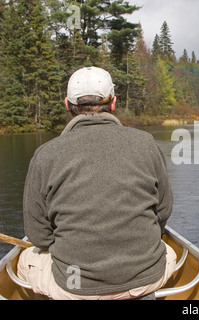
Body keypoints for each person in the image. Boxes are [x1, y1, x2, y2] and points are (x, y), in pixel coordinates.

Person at [17, 66, 177, 300]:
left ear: (68, 105)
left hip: (75, 284)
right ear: (112, 103)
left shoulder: (45, 155)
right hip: (145, 278)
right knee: (169, 252)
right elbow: (163, 212)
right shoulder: (146, 143)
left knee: (25, 260)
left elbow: (39, 236)